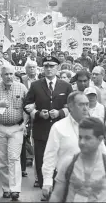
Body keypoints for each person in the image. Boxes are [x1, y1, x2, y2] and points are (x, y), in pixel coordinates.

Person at [41, 92, 106, 200]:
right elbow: (50, 155)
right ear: (71, 106)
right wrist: (47, 181)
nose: (85, 108)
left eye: (87, 104)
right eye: (81, 104)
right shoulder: (58, 127)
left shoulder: (94, 126)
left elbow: (103, 151)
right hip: (66, 181)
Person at [23, 56, 73, 190]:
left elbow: (72, 106)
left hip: (61, 129)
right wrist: (38, 113)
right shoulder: (35, 85)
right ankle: (45, 188)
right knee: (41, 159)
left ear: (57, 68)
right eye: (46, 66)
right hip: (41, 129)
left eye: (52, 66)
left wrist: (60, 113)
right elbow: (27, 105)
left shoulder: (66, 86)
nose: (49, 69)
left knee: (61, 159)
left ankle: (58, 189)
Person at [49, 117, 106, 202]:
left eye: (87, 138)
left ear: (100, 139)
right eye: (80, 137)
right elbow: (56, 195)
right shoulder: (68, 163)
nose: (82, 142)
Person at [0, 65, 29, 201]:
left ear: (14, 74)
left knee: (14, 158)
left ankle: (15, 190)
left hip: (16, 127)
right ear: (1, 75)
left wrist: (24, 124)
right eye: (6, 74)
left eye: (11, 74)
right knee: (3, 160)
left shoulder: (21, 87)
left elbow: (28, 106)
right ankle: (6, 188)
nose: (9, 76)